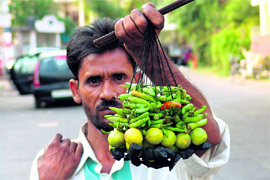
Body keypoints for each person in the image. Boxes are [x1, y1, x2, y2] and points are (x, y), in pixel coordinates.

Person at [30, 2, 230, 180]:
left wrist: (151, 56)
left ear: (136, 82)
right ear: (75, 90)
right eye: (94, 80)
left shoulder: (167, 149)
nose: (107, 93)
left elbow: (210, 137)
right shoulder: (52, 163)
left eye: (119, 78)